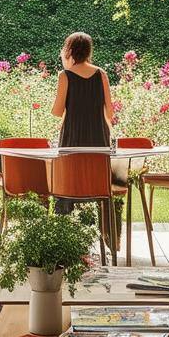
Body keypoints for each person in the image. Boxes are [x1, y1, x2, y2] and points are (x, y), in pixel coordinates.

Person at [50, 31, 115, 216]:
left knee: (68, 184)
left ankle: (64, 226)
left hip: (73, 138)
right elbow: (109, 112)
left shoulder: (65, 75)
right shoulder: (101, 74)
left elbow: (56, 111)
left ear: (69, 50)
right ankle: (105, 223)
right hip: (98, 139)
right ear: (88, 51)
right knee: (97, 183)